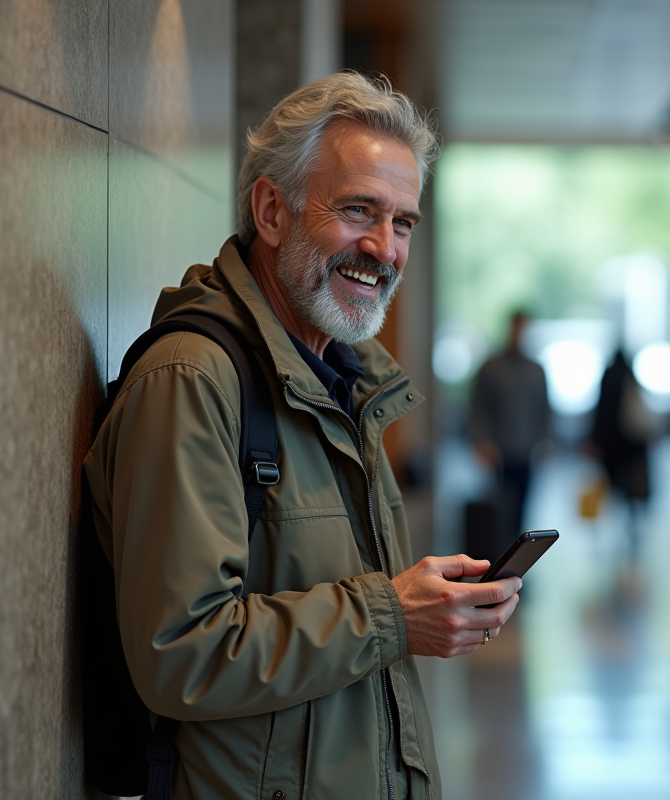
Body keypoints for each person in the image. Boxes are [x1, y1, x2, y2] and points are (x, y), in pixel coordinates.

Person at [82, 73, 520, 800]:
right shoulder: (192, 381)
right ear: (272, 211)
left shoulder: (347, 383)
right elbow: (180, 655)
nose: (383, 248)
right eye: (358, 211)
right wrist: (393, 615)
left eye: (403, 222)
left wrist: (425, 608)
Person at [468, 310, 552, 537]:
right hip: (499, 449)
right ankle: (497, 552)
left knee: (523, 506)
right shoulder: (491, 367)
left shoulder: (536, 370)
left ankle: (518, 552)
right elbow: (479, 408)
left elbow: (544, 409)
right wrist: (481, 441)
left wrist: (545, 441)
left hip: (527, 449)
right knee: (499, 506)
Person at [589, 349, 653, 553]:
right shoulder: (632, 378)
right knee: (631, 488)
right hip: (632, 444)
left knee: (612, 486)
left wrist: (595, 441)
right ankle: (631, 522)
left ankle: (613, 522)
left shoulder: (608, 377)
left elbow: (601, 411)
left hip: (611, 445)